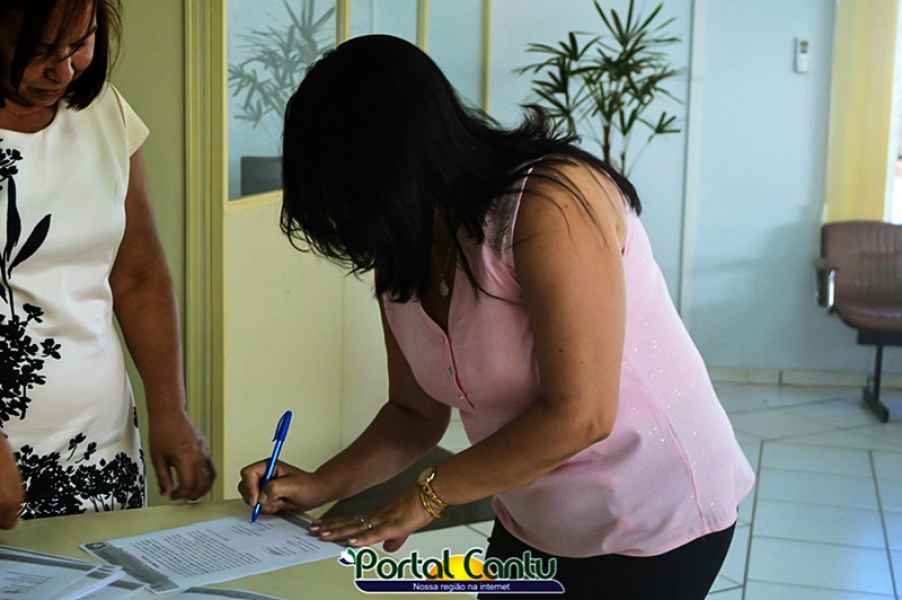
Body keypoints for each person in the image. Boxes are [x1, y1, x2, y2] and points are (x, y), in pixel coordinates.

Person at [238, 34, 754, 599]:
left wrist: (429, 494)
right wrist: (318, 485)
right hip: (535, 516)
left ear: (399, 166)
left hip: (652, 515)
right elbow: (413, 414)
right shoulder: (404, 248)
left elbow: (581, 415)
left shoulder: (548, 205)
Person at [0, 0, 214, 528]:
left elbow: (138, 276)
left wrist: (170, 409)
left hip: (98, 446)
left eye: (80, 43)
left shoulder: (105, 113)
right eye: (40, 51)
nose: (64, 71)